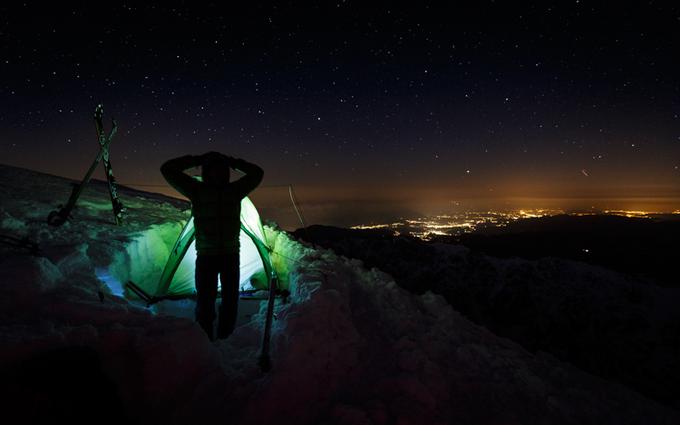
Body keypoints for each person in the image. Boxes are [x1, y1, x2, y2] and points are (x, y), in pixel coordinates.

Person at [161, 152, 263, 340]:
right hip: (207, 256)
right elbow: (167, 169)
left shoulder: (233, 191)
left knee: (229, 301)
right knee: (205, 302)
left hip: (230, 255)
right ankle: (205, 339)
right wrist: (196, 160)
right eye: (213, 169)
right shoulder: (197, 190)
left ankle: (225, 337)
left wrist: (234, 161)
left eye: (221, 169)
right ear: (207, 172)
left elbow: (257, 173)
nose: (218, 173)